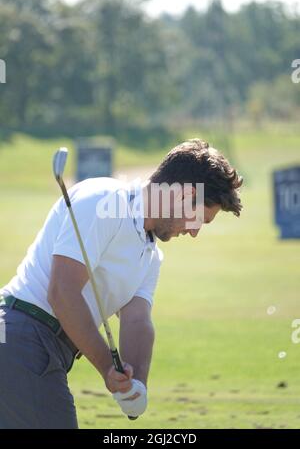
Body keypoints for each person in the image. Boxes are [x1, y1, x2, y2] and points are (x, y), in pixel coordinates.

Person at [0, 139, 243, 428]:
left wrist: (135, 383)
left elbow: (137, 321)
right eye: (199, 219)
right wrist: (106, 367)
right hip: (21, 337)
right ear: (185, 195)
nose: (193, 232)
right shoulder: (105, 201)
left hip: (37, 349)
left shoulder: (151, 256)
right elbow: (62, 292)